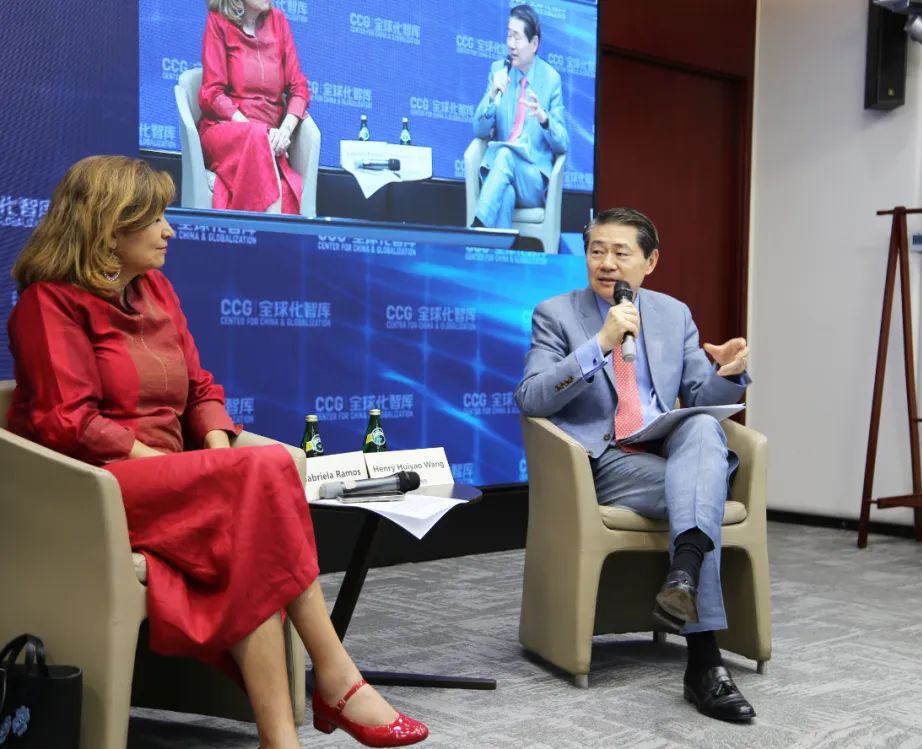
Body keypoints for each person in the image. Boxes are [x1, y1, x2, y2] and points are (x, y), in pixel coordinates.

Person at [5, 156, 428, 749]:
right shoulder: (48, 305)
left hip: (177, 480)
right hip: (97, 489)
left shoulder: (154, 289)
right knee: (262, 476)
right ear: (109, 227)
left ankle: (282, 739)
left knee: (252, 529)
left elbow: (200, 387)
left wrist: (213, 449)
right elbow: (68, 421)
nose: (169, 230)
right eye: (154, 218)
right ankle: (336, 676)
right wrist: (177, 468)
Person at [514, 207, 755, 723]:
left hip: (667, 451)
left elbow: (698, 397)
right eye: (596, 251)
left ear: (651, 261)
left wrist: (728, 375)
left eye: (621, 253)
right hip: (605, 462)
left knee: (702, 426)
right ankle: (705, 661)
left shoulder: (673, 314)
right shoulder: (555, 314)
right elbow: (531, 398)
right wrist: (599, 344)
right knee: (701, 497)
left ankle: (683, 575)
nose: (607, 263)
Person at [198, 0, 309, 214]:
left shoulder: (278, 22)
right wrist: (256, 132)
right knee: (257, 138)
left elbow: (299, 88)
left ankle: (265, 233)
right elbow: (212, 93)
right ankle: (269, 233)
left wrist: (284, 132)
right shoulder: (218, 21)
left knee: (262, 145)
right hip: (227, 130)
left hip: (270, 135)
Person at [470, 4, 569, 229]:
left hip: (531, 179)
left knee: (505, 155)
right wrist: (493, 94)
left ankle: (476, 227)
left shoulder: (550, 79)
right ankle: (495, 251)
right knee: (505, 196)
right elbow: (479, 130)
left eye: (517, 37)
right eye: (508, 35)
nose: (511, 44)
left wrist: (544, 119)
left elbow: (563, 142)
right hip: (500, 175)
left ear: (534, 44)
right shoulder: (499, 71)